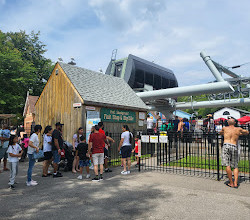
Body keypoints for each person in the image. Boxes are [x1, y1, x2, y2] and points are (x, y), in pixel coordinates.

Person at [219, 118, 249, 188]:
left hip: (226, 145)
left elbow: (220, 133)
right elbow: (247, 132)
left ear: (228, 123)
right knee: (235, 165)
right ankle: (235, 183)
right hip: (234, 145)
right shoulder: (238, 129)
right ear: (235, 123)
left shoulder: (224, 128)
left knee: (227, 164)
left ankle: (231, 182)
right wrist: (239, 134)